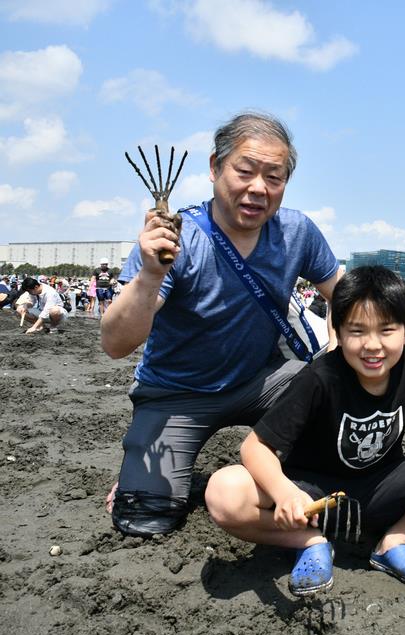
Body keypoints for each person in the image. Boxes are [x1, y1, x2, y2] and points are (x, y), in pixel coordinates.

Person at [101, 112, 342, 537]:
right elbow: (116, 343)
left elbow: (344, 296)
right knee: (145, 518)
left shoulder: (296, 231)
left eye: (274, 177)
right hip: (176, 392)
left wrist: (337, 354)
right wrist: (150, 275)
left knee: (326, 391)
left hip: (263, 381)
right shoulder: (176, 239)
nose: (258, 188)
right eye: (245, 171)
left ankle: (283, 474)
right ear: (215, 167)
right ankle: (147, 474)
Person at [204, 266, 405, 594]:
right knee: (223, 491)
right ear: (338, 333)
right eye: (357, 331)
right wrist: (285, 493)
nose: (373, 345)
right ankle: (310, 542)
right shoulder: (320, 377)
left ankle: (394, 541)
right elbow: (255, 447)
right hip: (314, 501)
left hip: (383, 490)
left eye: (386, 330)